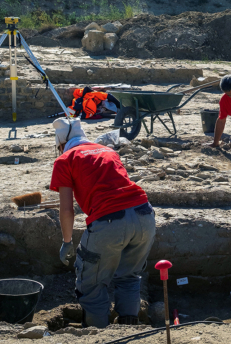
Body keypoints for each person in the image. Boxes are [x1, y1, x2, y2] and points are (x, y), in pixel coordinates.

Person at [50, 117, 155, 328]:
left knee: (92, 284)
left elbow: (67, 209)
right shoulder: (108, 151)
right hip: (144, 214)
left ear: (61, 144)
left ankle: (96, 334)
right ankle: (128, 329)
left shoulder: (65, 160)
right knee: (129, 276)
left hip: (108, 222)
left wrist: (67, 241)